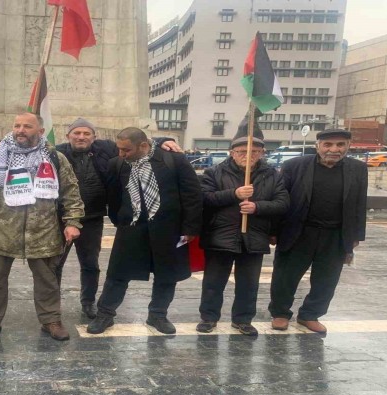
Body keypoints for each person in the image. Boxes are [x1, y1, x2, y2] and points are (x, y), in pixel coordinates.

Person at [0, 112, 84, 341]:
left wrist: (72, 222)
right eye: (17, 125)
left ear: (40, 131)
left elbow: (70, 192)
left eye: (27, 126)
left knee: (47, 280)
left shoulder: (55, 157)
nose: (20, 130)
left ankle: (51, 319)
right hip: (0, 230)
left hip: (43, 231)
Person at [54, 118, 182, 319]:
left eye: (86, 133)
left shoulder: (106, 148)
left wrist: (164, 139)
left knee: (90, 264)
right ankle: (52, 304)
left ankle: (88, 302)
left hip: (92, 218)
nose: (81, 137)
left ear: (94, 137)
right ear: (67, 135)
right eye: (76, 133)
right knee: (54, 264)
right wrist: (0, 144)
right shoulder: (56, 152)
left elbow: (136, 142)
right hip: (60, 219)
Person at [87, 128, 203, 335]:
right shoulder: (117, 164)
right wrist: (120, 220)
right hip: (131, 229)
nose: (122, 154)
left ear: (143, 145)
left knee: (167, 275)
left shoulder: (173, 160)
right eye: (119, 149)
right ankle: (105, 314)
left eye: (126, 150)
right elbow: (113, 197)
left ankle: (158, 314)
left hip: (169, 229)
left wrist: (190, 228)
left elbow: (192, 196)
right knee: (117, 274)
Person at [196, 118, 289, 336]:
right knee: (213, 283)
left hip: (254, 237)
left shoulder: (272, 176)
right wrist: (233, 194)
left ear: (263, 153)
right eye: (242, 151)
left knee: (249, 284)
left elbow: (283, 203)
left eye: (255, 151)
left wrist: (258, 206)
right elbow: (204, 199)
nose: (248, 155)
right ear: (232, 152)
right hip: (220, 236)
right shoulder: (214, 173)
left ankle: (243, 319)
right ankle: (209, 317)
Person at [269, 129, 368, 333]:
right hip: (299, 231)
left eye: (340, 145)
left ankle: (310, 315)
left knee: (327, 279)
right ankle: (280, 313)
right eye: (328, 145)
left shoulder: (358, 169)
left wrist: (356, 235)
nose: (334, 149)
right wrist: (273, 230)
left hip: (336, 234)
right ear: (318, 146)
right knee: (286, 275)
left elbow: (360, 202)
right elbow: (280, 200)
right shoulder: (294, 166)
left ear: (348, 146)